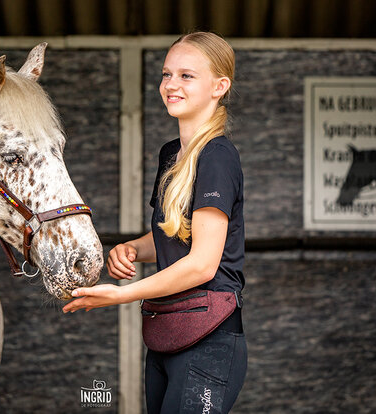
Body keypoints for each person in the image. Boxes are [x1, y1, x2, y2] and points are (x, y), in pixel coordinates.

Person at [63, 31, 246, 414]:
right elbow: (170, 232)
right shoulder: (170, 155)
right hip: (165, 333)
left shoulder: (218, 156)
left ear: (219, 86)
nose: (171, 85)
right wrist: (133, 248)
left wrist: (120, 294)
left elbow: (201, 264)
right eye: (166, 74)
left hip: (209, 339)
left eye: (186, 76)